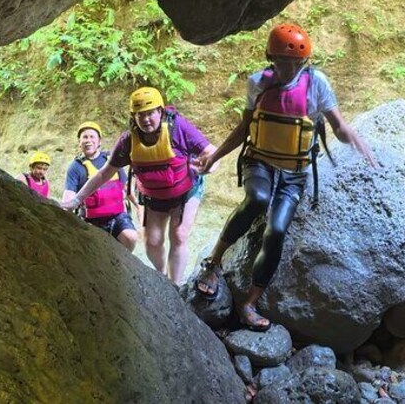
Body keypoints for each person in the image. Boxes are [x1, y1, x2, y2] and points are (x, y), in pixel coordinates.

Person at [193, 23, 376, 331]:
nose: (289, 68)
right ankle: (213, 263)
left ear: (304, 63)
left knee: (276, 229)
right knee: (257, 199)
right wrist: (214, 157)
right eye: (282, 62)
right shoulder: (258, 83)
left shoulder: (317, 84)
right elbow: (244, 128)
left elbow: (338, 126)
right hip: (259, 162)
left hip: (294, 172)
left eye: (295, 63)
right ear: (270, 58)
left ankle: (250, 302)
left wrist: (355, 139)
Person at [61, 87, 216, 284]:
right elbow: (104, 174)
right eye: (139, 115)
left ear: (160, 111)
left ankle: (175, 285)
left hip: (185, 191)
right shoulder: (128, 140)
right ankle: (163, 277)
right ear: (133, 116)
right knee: (152, 242)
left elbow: (211, 152)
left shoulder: (178, 127)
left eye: (150, 113)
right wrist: (76, 200)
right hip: (152, 197)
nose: (146, 119)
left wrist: (208, 167)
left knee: (178, 234)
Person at [62, 121, 140, 251]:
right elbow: (69, 195)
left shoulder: (112, 160)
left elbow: (126, 187)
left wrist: (138, 206)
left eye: (92, 137)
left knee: (131, 237)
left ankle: (125, 262)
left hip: (118, 216)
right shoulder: (75, 167)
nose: (88, 140)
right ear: (79, 142)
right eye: (84, 137)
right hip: (92, 220)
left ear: (99, 141)